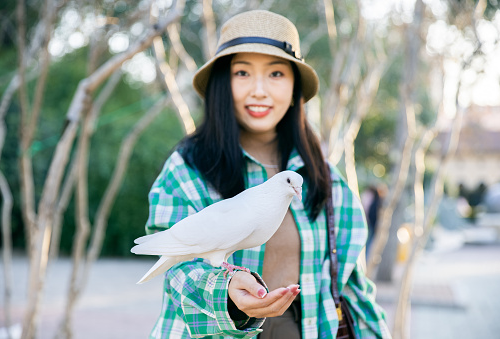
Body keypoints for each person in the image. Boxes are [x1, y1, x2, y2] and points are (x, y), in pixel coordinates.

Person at [144, 10, 391, 339]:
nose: (259, 90)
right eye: (243, 72)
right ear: (222, 83)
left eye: (276, 74)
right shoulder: (187, 170)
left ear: (294, 88)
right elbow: (177, 270)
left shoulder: (328, 182)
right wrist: (226, 290)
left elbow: (354, 289)